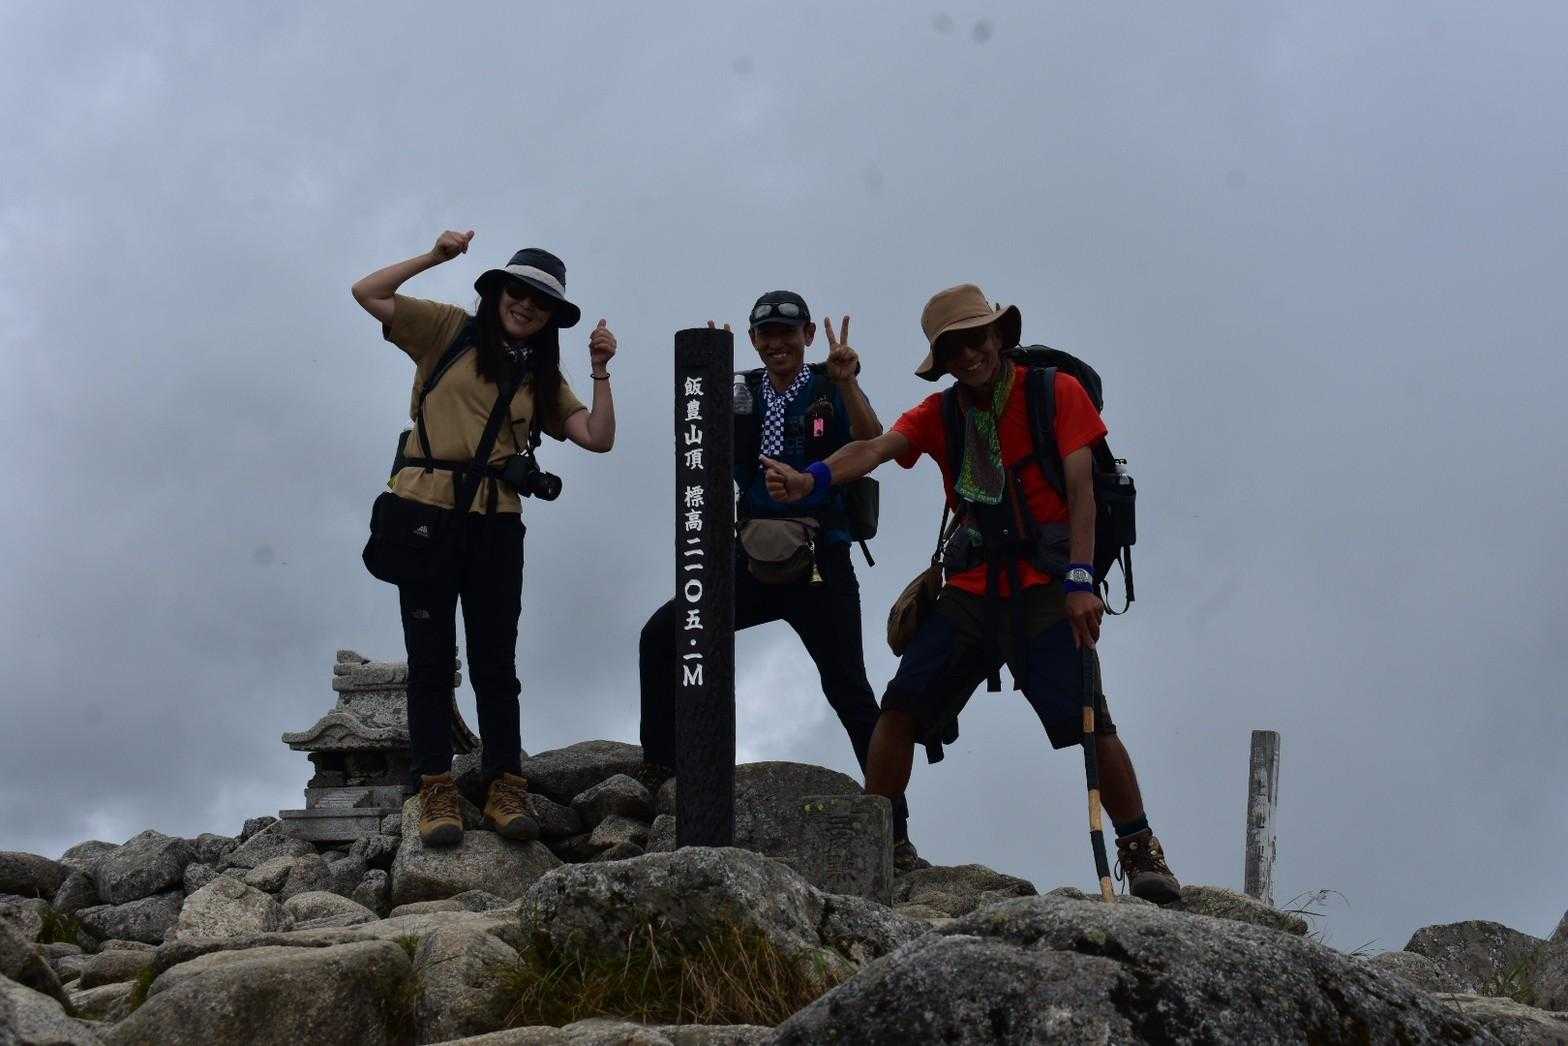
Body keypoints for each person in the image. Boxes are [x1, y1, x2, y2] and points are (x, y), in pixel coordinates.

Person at [761, 283, 1181, 901]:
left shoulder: (1053, 393)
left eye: (975, 340)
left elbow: (1082, 490)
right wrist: (813, 479)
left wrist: (1081, 579)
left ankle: (1141, 851)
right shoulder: (942, 414)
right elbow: (874, 448)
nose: (968, 356)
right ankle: (880, 842)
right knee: (899, 707)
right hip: (973, 587)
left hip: (1047, 584)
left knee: (1091, 722)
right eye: (953, 348)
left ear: (998, 337)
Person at [351, 230, 618, 847]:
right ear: (497, 291)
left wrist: (602, 371)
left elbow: (598, 437)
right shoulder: (446, 330)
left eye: (541, 302)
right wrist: (435, 257)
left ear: (552, 317)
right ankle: (434, 788)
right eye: (518, 292)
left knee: (496, 663)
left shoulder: (541, 375)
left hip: (497, 525)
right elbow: (367, 292)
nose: (526, 306)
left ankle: (505, 785)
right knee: (430, 662)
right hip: (424, 514)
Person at [638, 291, 919, 867]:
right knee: (663, 635)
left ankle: (894, 832)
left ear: (809, 335)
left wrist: (847, 381)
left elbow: (872, 440)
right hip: (749, 559)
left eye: (787, 333)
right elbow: (697, 442)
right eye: (764, 334)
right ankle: (661, 778)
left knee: (849, 690)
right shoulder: (740, 388)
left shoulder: (829, 385)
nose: (776, 343)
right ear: (752, 339)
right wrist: (708, 370)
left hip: (821, 562)